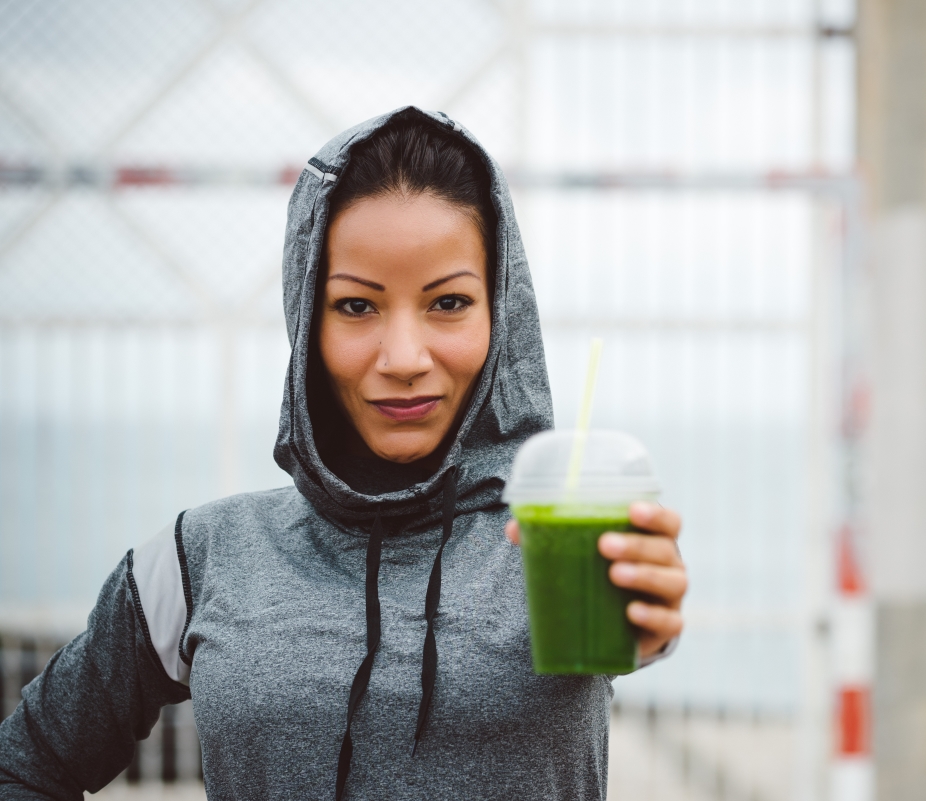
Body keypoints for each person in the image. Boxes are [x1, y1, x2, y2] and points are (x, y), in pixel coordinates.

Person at [0, 107, 688, 800]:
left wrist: (645, 618)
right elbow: (25, 763)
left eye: (448, 302)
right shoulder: (197, 561)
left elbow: (636, 633)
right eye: (357, 307)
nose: (404, 358)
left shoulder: (555, 540)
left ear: (499, 313)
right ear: (308, 315)